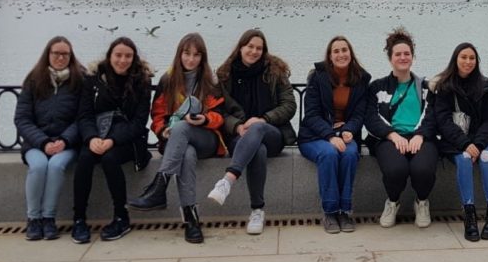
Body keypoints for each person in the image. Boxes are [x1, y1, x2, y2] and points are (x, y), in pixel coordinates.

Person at [128, 33, 231, 243]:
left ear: (202, 58)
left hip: (207, 137)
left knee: (184, 128)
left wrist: (203, 119)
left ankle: (159, 187)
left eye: (196, 55)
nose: (191, 59)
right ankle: (191, 220)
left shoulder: (211, 81)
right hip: (176, 140)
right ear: (179, 54)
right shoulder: (168, 79)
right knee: (187, 154)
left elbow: (220, 116)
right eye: (186, 54)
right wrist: (162, 129)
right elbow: (157, 115)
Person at [207, 29, 296, 235]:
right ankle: (257, 210)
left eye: (259, 48)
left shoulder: (275, 72)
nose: (254, 51)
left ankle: (228, 180)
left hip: (272, 132)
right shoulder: (224, 74)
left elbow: (289, 104)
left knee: (257, 129)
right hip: (239, 136)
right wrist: (237, 126)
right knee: (257, 150)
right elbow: (218, 109)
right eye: (250, 47)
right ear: (241, 48)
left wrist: (263, 119)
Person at [71, 36, 152, 244]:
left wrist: (113, 140)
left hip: (128, 141)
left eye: (128, 56)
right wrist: (90, 138)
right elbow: (85, 114)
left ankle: (121, 216)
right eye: (118, 55)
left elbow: (139, 122)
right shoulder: (93, 79)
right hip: (97, 135)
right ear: (109, 56)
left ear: (134, 59)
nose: (122, 60)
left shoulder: (142, 80)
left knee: (109, 158)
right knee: (85, 158)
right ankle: (79, 219)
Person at [365, 28, 438, 229]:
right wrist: (392, 134)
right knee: (396, 169)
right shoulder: (377, 87)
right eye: (398, 54)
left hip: (419, 138)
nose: (403, 57)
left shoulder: (425, 86)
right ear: (390, 59)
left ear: (413, 57)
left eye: (407, 54)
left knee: (422, 169)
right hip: (389, 139)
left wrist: (420, 135)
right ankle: (393, 202)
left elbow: (432, 115)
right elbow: (371, 117)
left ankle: (422, 202)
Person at [14, 36, 84, 241]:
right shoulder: (34, 80)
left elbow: (82, 118)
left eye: (65, 54)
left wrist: (64, 140)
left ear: (71, 56)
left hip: (68, 143)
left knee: (55, 166)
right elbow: (22, 118)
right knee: (38, 166)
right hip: (37, 143)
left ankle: (48, 218)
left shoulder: (79, 80)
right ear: (48, 54)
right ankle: (33, 218)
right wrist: (43, 142)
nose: (61, 58)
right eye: (56, 53)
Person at [298, 35, 370, 234]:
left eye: (344, 50)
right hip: (315, 136)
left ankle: (344, 211)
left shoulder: (361, 79)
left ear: (351, 53)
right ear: (330, 56)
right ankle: (330, 212)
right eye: (336, 51)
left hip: (345, 134)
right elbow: (311, 115)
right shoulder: (317, 77)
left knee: (349, 154)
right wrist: (331, 135)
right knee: (329, 154)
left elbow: (359, 114)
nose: (341, 54)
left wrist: (348, 130)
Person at [432, 42, 488, 242]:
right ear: (455, 59)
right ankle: (469, 214)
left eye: (472, 58)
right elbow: (443, 121)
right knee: (464, 159)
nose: (468, 62)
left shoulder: (485, 86)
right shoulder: (444, 86)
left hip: (482, 141)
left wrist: (478, 145)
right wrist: (465, 144)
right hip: (456, 142)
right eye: (463, 57)